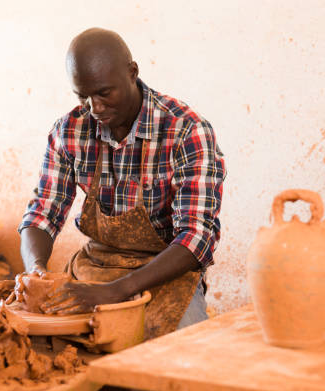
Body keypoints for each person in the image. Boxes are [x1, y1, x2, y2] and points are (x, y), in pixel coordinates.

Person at [18, 27, 225, 339]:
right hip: (96, 269)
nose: (95, 108)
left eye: (104, 93)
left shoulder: (186, 130)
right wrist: (35, 268)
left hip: (165, 278)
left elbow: (198, 238)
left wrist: (117, 291)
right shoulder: (69, 130)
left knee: (183, 356)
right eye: (83, 96)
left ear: (132, 72)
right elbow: (41, 214)